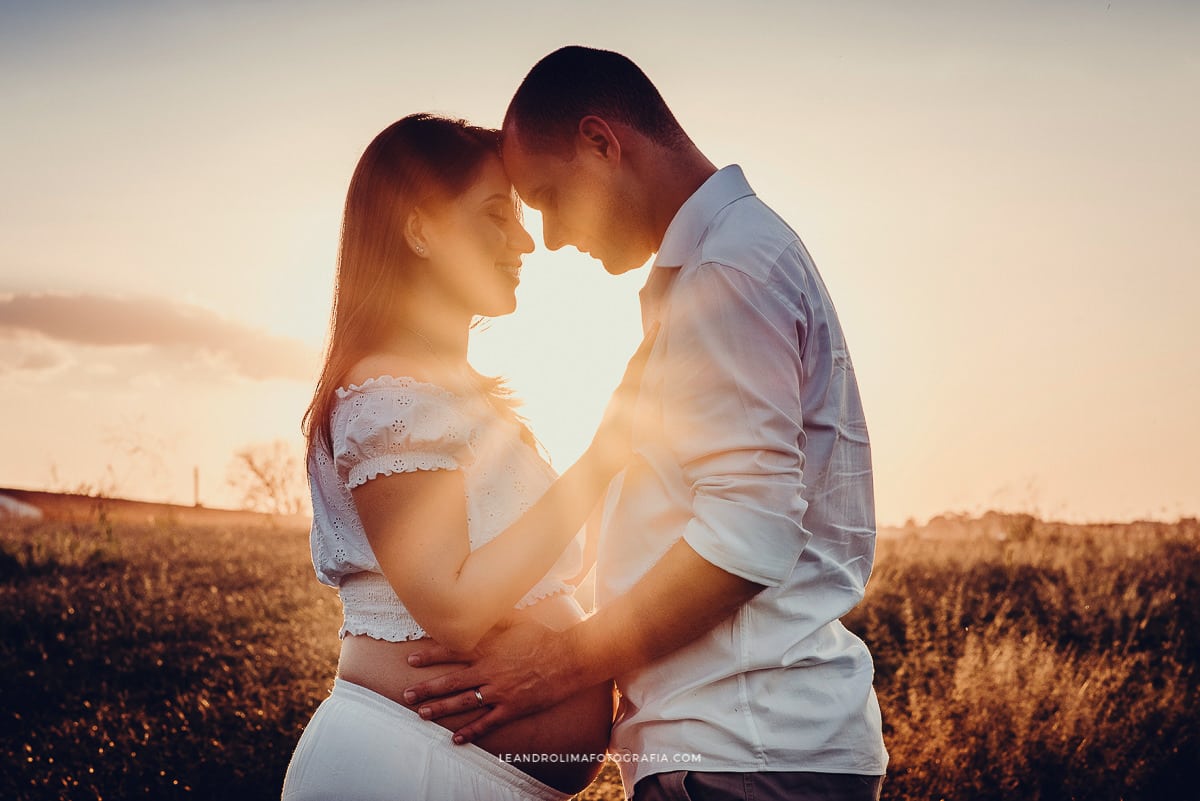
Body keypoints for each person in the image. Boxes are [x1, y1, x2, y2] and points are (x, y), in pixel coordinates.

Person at [403, 47, 889, 800]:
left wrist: (556, 665)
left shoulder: (726, 271)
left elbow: (746, 535)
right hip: (740, 751)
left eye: (548, 197)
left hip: (739, 755)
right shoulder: (727, 259)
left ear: (602, 143)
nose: (554, 237)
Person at [282, 113, 654, 801]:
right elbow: (452, 606)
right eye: (495, 215)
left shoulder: (442, 394)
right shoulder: (389, 394)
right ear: (419, 229)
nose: (523, 242)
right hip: (411, 769)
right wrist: (601, 459)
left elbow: (535, 564)